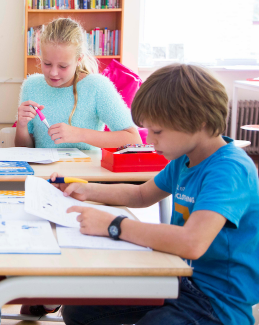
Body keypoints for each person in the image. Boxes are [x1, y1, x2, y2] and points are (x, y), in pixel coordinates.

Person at [57, 64, 259, 325]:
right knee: (79, 310)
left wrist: (113, 225)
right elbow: (142, 195)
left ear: (198, 122)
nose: (150, 140)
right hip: (177, 279)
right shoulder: (184, 159)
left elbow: (192, 243)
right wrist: (87, 189)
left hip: (216, 303)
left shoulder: (230, 169)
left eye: (158, 131)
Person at [15, 18, 141, 149]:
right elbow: (24, 149)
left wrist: (80, 134)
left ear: (78, 59)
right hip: (45, 169)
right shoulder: (31, 86)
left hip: (86, 169)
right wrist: (22, 125)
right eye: (47, 64)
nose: (53, 73)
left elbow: (134, 139)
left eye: (63, 66)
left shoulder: (97, 86)